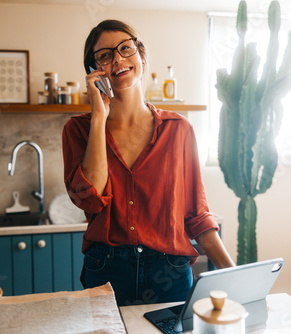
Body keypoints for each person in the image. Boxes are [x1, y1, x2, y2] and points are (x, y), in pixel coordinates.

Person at [62, 19, 234, 306]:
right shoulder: (78, 130)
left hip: (170, 270)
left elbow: (197, 215)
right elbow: (91, 199)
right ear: (94, 71)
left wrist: (235, 277)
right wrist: (98, 119)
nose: (117, 59)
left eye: (125, 49)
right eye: (104, 55)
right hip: (106, 269)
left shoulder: (179, 130)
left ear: (141, 55)